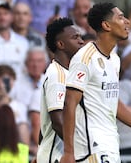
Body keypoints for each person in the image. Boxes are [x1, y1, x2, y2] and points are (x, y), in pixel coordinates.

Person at [60, 2, 131, 163]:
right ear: (106, 25)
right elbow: (69, 103)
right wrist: (68, 152)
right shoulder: (85, 58)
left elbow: (113, 103)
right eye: (121, 17)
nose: (127, 22)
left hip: (110, 143)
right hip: (90, 146)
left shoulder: (114, 60)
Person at [37, 17, 84, 163]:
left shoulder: (70, 73)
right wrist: (82, 147)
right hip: (58, 157)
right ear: (61, 44)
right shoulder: (57, 74)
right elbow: (57, 121)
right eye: (75, 37)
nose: (81, 41)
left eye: (80, 36)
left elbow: (45, 127)